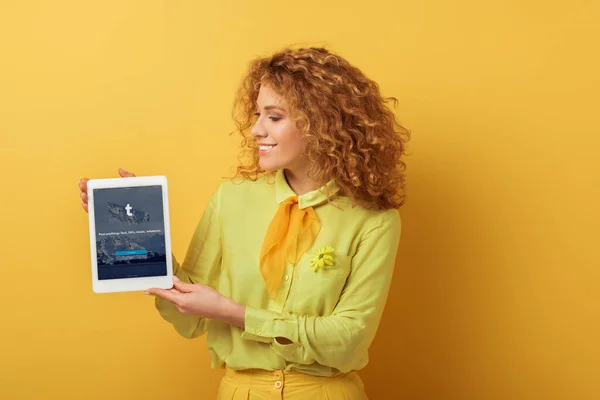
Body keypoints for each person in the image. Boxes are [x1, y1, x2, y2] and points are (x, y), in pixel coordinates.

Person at [78, 46, 410, 399]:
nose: (255, 129)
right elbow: (191, 318)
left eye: (274, 117)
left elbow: (348, 338)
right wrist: (140, 234)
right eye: (257, 114)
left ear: (322, 123)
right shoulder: (231, 198)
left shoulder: (374, 220)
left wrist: (237, 314)